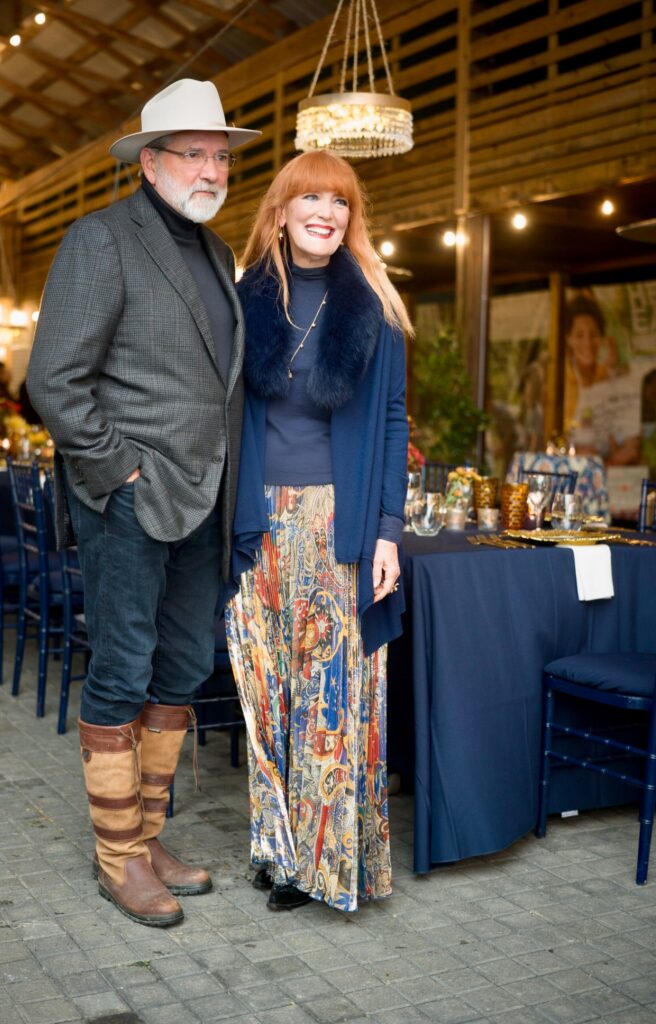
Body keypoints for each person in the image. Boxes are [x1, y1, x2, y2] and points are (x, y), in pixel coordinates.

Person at [26, 79, 260, 928]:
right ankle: (117, 857)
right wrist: (118, 470)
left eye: (221, 156)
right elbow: (54, 378)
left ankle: (147, 836)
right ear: (150, 162)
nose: (211, 170)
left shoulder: (217, 252)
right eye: (193, 154)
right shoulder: (101, 238)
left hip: (206, 495)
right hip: (130, 497)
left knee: (184, 665)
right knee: (122, 668)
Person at [224, 150, 411, 914]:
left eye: (339, 201)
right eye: (311, 198)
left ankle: (321, 865)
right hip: (252, 520)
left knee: (326, 695)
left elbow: (394, 421)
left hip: (338, 522)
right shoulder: (240, 302)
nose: (326, 212)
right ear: (281, 211)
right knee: (262, 689)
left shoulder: (374, 306)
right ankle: (276, 849)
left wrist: (389, 532)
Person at [563, 292, 640, 464]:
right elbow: (550, 436)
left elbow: (625, 424)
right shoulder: (562, 380)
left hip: (610, 467)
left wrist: (628, 446)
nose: (588, 343)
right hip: (572, 469)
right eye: (579, 335)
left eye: (594, 334)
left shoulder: (609, 375)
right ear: (568, 339)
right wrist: (572, 452)